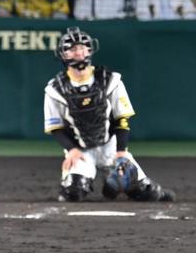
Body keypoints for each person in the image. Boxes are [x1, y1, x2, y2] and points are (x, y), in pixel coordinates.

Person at [44, 26, 175, 202]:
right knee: (72, 192)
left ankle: (124, 186)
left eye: (83, 47)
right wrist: (71, 150)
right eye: (73, 49)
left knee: (147, 193)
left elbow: (122, 118)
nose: (79, 52)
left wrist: (121, 152)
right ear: (63, 54)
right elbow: (56, 127)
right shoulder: (54, 88)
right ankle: (92, 182)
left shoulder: (109, 79)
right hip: (81, 149)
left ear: (90, 50)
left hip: (111, 146)